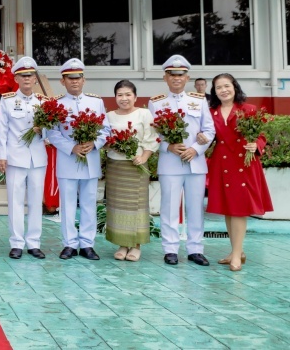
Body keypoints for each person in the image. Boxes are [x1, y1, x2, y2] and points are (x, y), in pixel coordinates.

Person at [148, 55, 215, 266]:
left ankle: (195, 249)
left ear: (187, 77)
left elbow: (209, 130)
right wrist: (168, 146)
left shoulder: (199, 100)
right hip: (170, 163)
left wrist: (196, 149)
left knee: (196, 208)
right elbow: (151, 134)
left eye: (180, 74)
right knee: (169, 208)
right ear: (165, 78)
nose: (176, 78)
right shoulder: (156, 102)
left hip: (195, 163)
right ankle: (170, 249)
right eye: (172, 74)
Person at [204, 73, 273, 271]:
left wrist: (256, 144)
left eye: (227, 86)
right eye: (219, 87)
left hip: (243, 163)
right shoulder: (211, 112)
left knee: (239, 209)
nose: (223, 90)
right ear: (214, 91)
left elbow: (261, 135)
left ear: (234, 87)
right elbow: (209, 135)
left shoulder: (248, 109)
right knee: (228, 208)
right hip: (222, 162)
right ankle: (237, 251)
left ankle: (236, 254)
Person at [46, 58, 109, 261]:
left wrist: (95, 143)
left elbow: (105, 129)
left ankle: (87, 244)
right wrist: (71, 147)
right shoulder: (56, 104)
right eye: (70, 78)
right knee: (67, 206)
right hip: (68, 161)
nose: (74, 81)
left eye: (78, 78)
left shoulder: (96, 102)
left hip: (90, 160)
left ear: (84, 80)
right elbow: (52, 133)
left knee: (89, 204)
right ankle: (70, 244)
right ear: (62, 81)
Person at [0, 56, 48, 260]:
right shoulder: (8, 100)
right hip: (15, 157)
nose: (27, 78)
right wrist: (1, 156)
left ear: (35, 78)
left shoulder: (43, 102)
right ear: (16, 79)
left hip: (37, 158)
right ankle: (16, 243)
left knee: (35, 202)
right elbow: (2, 130)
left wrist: (43, 130)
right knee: (15, 201)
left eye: (30, 75)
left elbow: (51, 132)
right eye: (22, 75)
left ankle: (34, 243)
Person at [105, 80, 158, 262]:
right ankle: (122, 244)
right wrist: (112, 145)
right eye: (120, 95)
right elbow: (104, 139)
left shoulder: (144, 113)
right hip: (116, 166)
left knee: (136, 206)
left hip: (137, 166)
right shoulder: (109, 116)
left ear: (135, 97)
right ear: (115, 97)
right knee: (117, 206)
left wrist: (144, 157)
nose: (124, 98)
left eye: (128, 94)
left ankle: (135, 245)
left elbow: (151, 138)